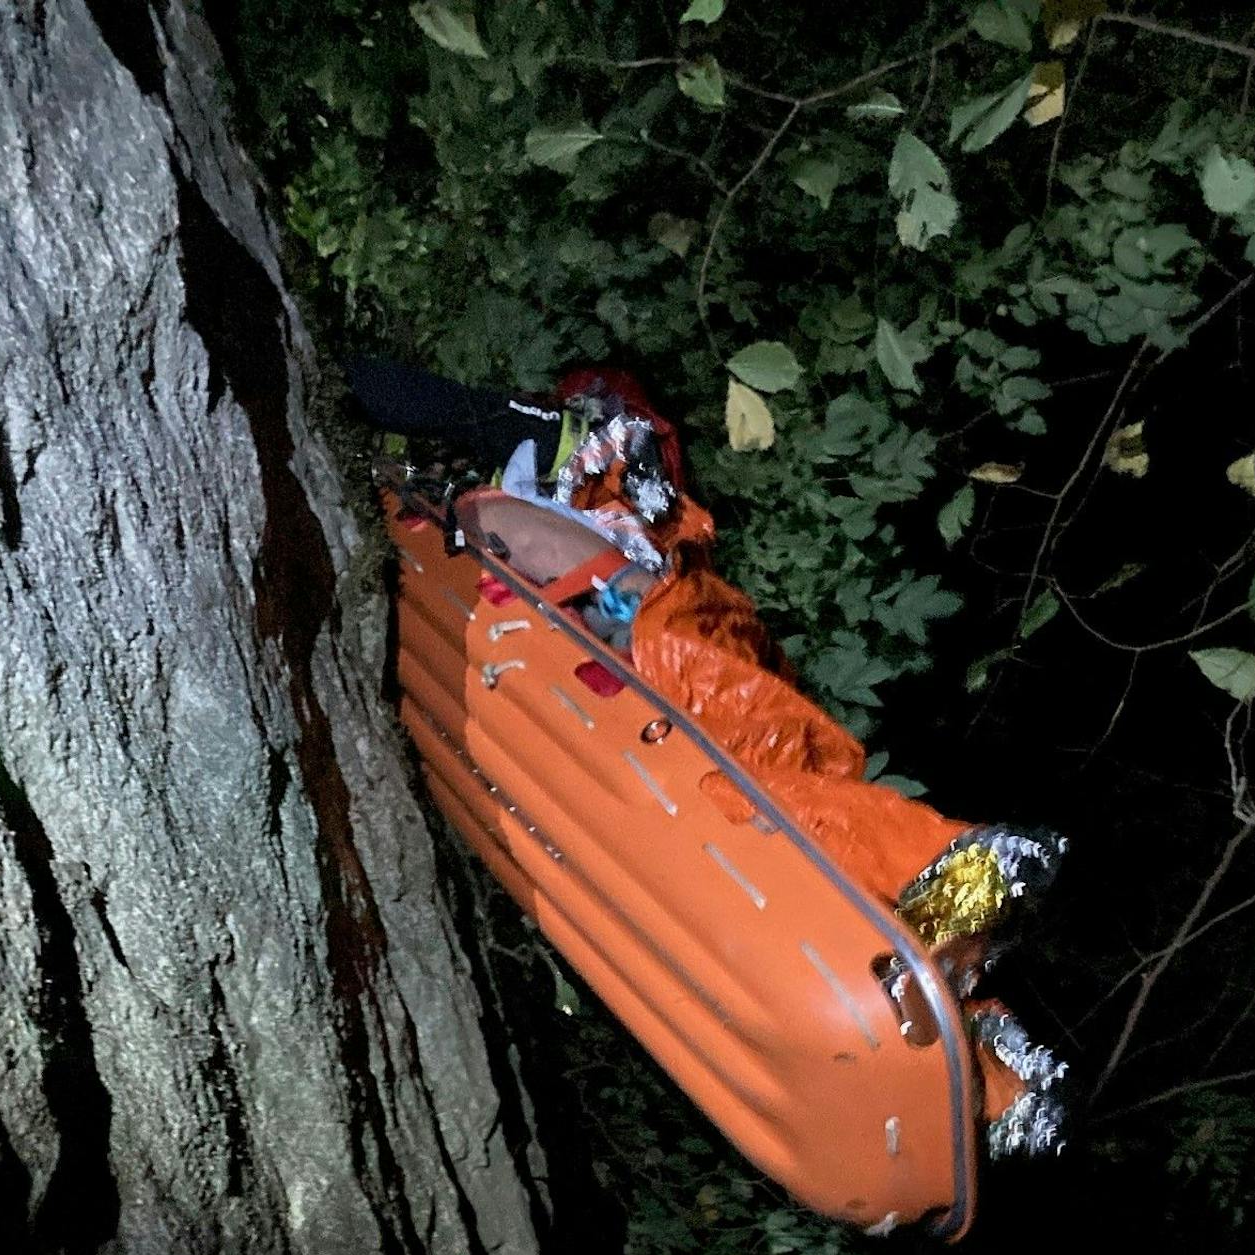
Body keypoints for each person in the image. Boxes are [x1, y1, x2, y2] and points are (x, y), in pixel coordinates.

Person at [352, 354, 1069, 1157]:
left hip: (664, 640)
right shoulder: (616, 499)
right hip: (674, 636)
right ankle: (980, 1046)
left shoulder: (574, 454)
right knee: (775, 784)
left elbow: (403, 400)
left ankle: (951, 880)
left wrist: (334, 399)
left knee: (759, 787)